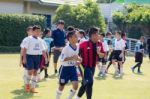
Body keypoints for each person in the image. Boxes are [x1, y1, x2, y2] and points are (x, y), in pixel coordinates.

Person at [75, 27, 104, 99]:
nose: (99, 36)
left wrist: (99, 52)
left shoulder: (100, 44)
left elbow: (103, 55)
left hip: (93, 67)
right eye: (97, 34)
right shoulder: (84, 44)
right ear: (92, 35)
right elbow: (76, 53)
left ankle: (77, 97)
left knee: (85, 84)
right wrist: (77, 60)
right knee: (90, 82)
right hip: (84, 66)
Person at [56, 30, 82, 99]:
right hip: (65, 69)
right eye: (75, 36)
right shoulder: (66, 48)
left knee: (76, 85)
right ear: (70, 38)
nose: (77, 38)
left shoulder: (77, 46)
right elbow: (62, 59)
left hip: (73, 68)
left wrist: (79, 59)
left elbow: (76, 56)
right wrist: (72, 58)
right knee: (61, 86)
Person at [22, 25, 47, 93]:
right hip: (29, 56)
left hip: (37, 57)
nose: (38, 33)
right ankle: (27, 85)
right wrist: (24, 58)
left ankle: (33, 88)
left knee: (35, 72)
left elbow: (43, 50)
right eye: (36, 31)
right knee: (30, 71)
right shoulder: (28, 39)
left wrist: (46, 58)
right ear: (33, 32)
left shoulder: (40, 40)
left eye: (39, 31)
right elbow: (24, 49)